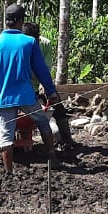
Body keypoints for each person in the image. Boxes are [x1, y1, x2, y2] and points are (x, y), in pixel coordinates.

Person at [0, 3, 58, 175]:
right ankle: (52, 158)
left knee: (6, 135)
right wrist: (50, 92)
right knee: (43, 122)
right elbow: (42, 70)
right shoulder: (29, 42)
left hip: (3, 98)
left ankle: (9, 173)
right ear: (21, 21)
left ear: (6, 21)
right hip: (26, 96)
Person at [23, 21, 77, 151]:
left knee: (58, 108)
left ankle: (67, 140)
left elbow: (44, 68)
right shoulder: (20, 45)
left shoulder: (44, 44)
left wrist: (45, 86)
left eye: (36, 38)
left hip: (41, 82)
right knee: (26, 117)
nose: (34, 42)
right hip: (24, 87)